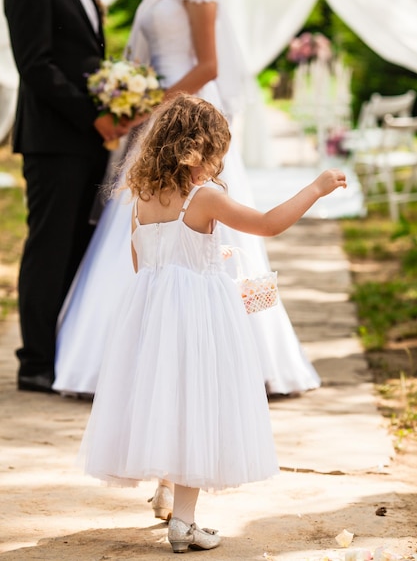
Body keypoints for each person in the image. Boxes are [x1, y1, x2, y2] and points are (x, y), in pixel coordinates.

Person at [54, 0, 321, 406]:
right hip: (160, 119)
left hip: (187, 119)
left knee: (213, 222)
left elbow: (209, 65)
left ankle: (239, 354)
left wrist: (148, 107)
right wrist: (132, 95)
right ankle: (123, 357)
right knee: (142, 221)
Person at [80, 93, 347, 553]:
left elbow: (142, 259)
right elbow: (266, 224)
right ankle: (183, 522)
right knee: (198, 407)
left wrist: (202, 256)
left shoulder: (143, 197)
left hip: (150, 313)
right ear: (199, 149)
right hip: (198, 316)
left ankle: (165, 488)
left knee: (166, 398)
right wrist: (316, 188)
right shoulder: (204, 196)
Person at [3, 0, 132, 393]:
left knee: (78, 248)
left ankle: (64, 354)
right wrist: (94, 116)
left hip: (86, 142)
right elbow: (35, 65)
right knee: (49, 248)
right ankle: (34, 362)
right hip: (53, 142)